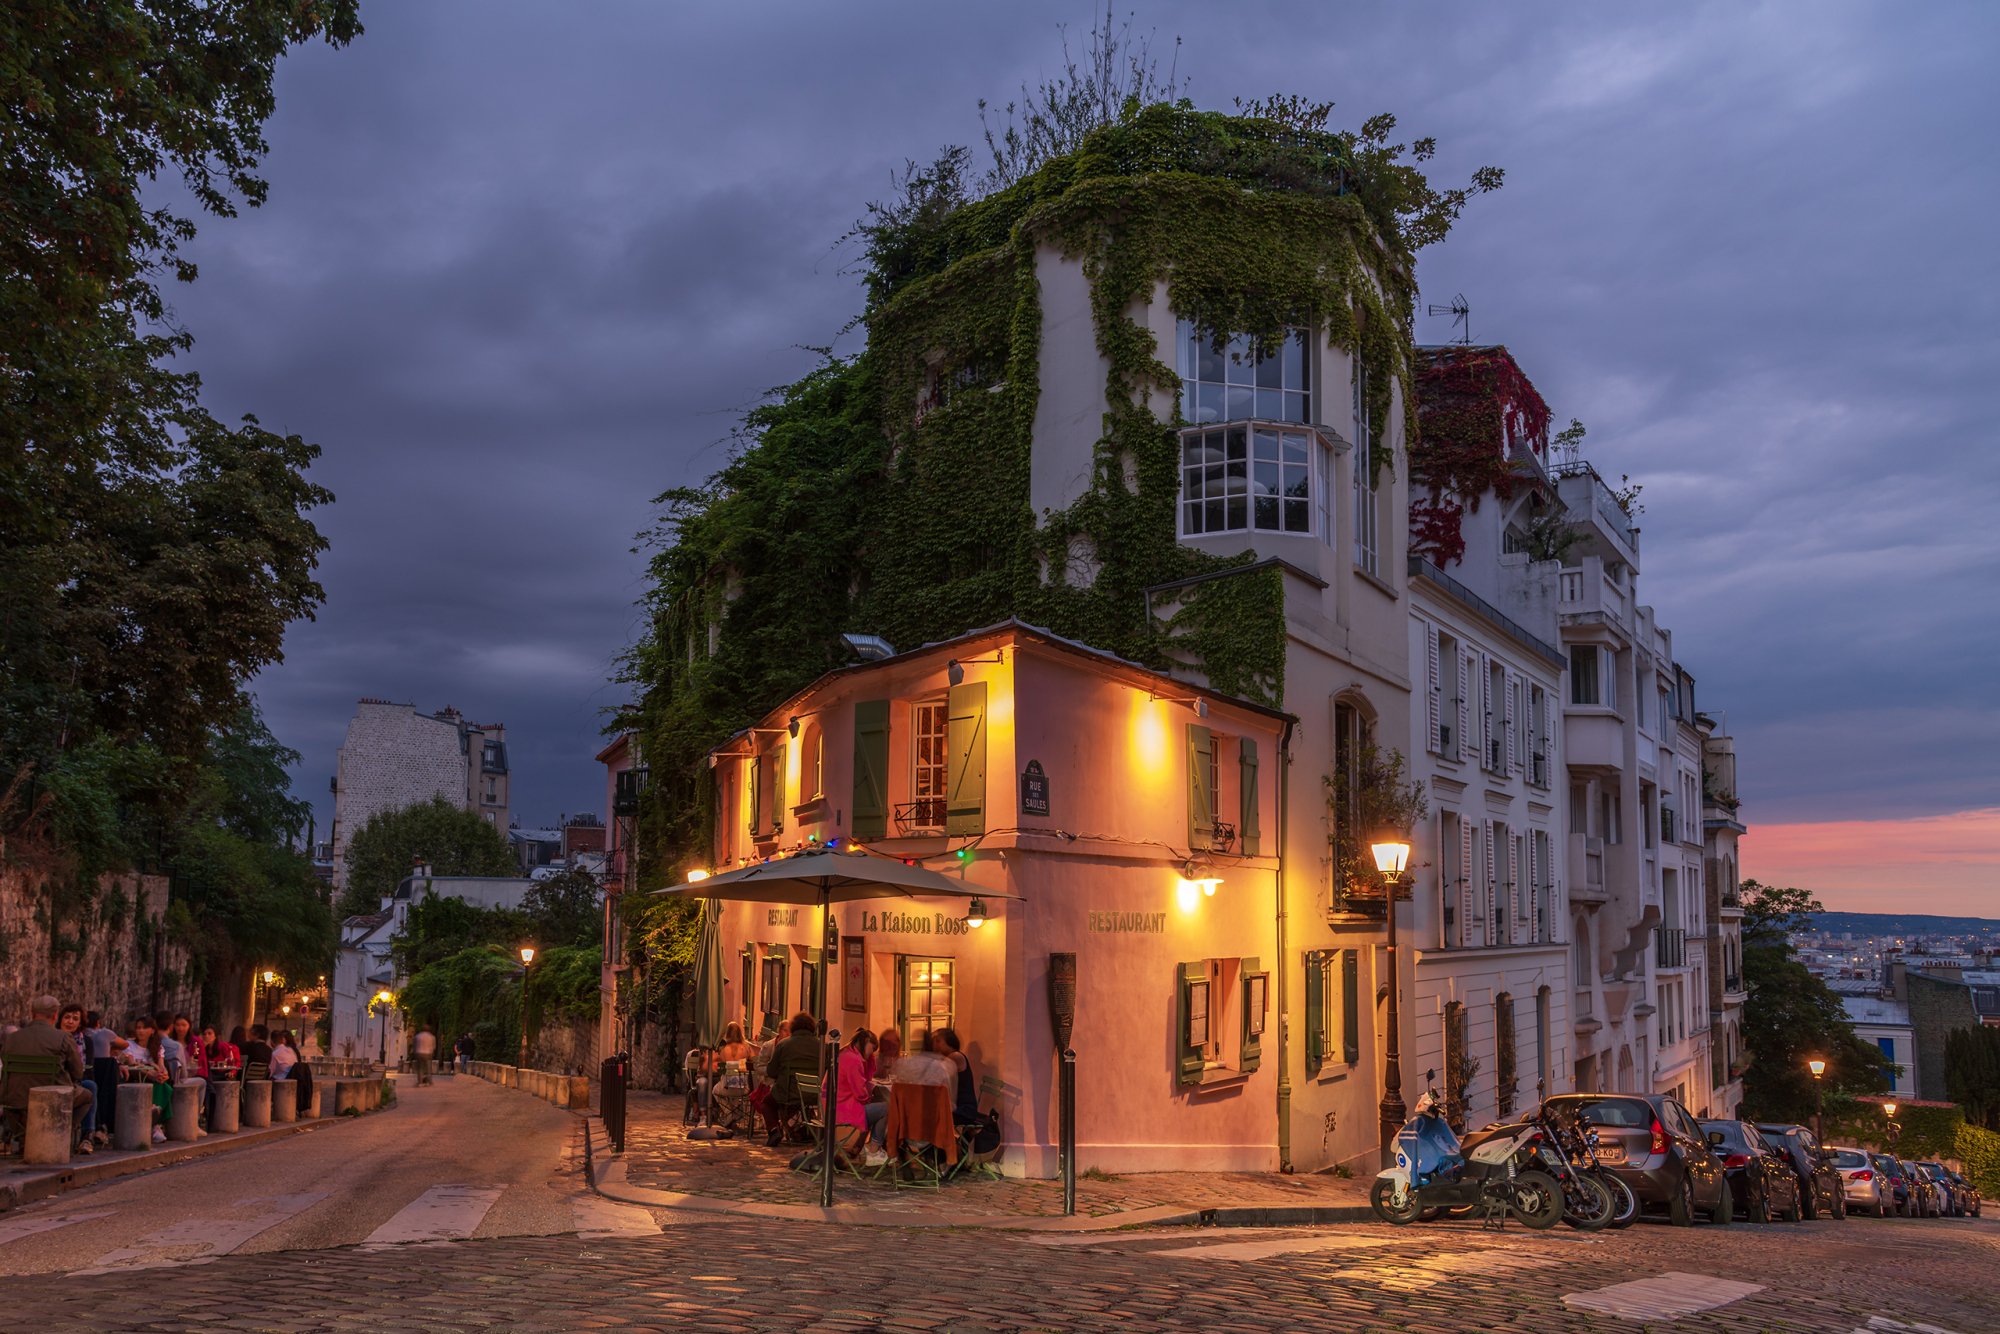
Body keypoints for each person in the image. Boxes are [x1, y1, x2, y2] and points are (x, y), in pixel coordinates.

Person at [1, 997, 95, 1154]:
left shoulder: (11, 1038)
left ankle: (24, 1138)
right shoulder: (63, 1038)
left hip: (14, 1097)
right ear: (55, 1015)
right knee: (87, 1096)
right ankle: (59, 1133)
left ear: (32, 1013)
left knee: (16, 1100)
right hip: (53, 1096)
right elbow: (78, 1072)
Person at [762, 1012, 821, 1147]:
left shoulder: (784, 1045)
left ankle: (774, 1130)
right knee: (799, 1104)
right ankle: (800, 1130)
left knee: (767, 1103)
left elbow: (771, 1071)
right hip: (815, 1095)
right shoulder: (821, 1046)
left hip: (788, 1093)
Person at [835, 1028, 885, 1167]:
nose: (872, 1053)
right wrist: (869, 1099)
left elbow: (865, 1079)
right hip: (844, 1109)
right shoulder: (854, 1060)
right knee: (888, 1108)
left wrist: (869, 1059)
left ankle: (864, 1146)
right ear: (867, 1042)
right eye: (872, 1048)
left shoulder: (845, 1053)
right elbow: (861, 1093)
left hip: (834, 1105)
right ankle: (874, 1150)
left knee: (879, 1107)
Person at [933, 1027, 980, 1124]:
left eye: (938, 1041)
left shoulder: (956, 1057)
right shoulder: (946, 1057)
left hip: (963, 1110)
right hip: (953, 1107)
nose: (934, 1044)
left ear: (949, 1042)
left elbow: (936, 1075)